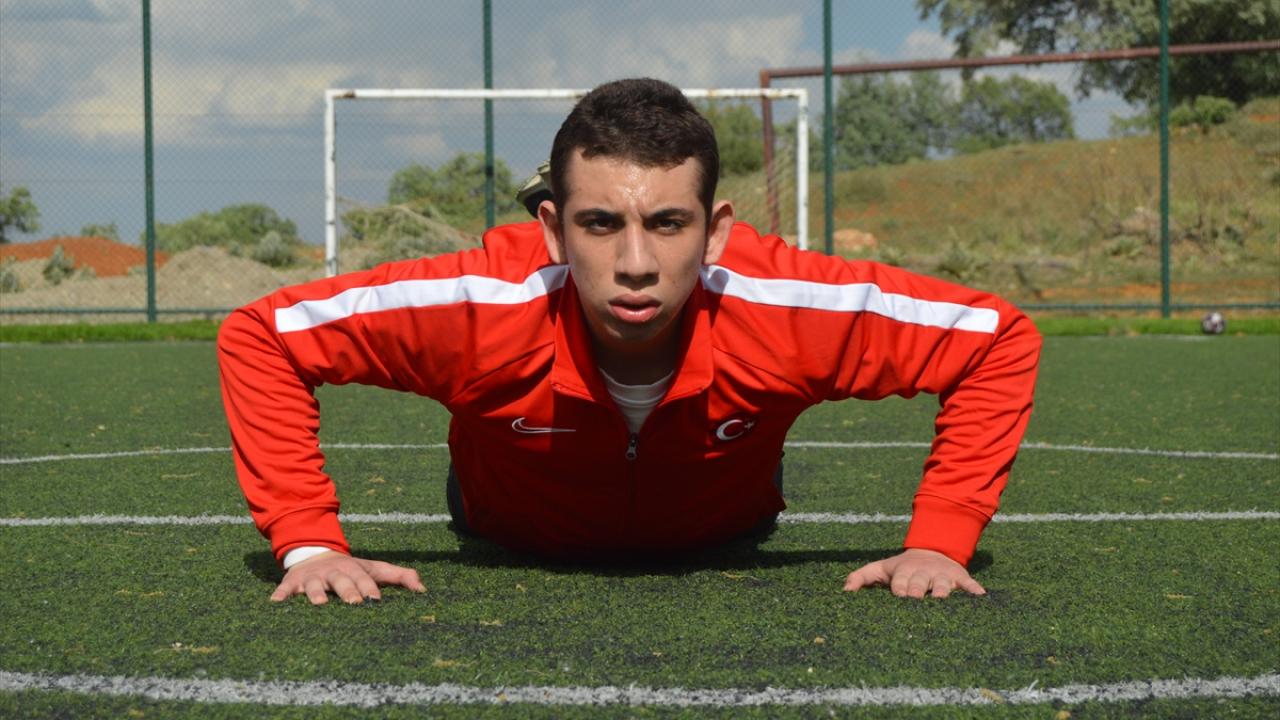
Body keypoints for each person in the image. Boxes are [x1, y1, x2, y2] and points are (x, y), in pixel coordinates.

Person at [217, 78, 1041, 606]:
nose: (637, 263)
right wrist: (310, 542)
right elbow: (261, 336)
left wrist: (939, 539)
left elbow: (997, 339)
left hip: (722, 524)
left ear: (718, 231)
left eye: (670, 223)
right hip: (509, 525)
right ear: (552, 230)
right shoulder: (479, 305)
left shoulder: (784, 304)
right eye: (601, 224)